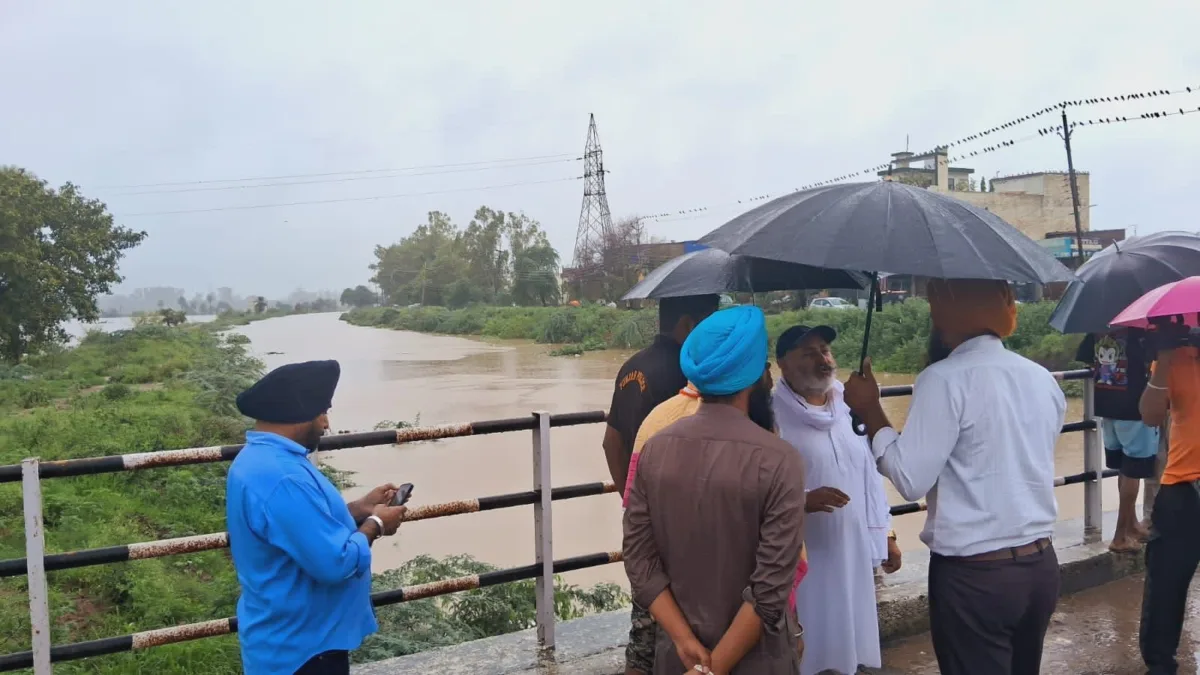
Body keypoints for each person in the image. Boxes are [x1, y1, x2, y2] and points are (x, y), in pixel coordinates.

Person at [843, 279, 1066, 675]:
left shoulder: (943, 379)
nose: (931, 313)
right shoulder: (1041, 378)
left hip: (976, 577)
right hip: (1039, 567)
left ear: (948, 309)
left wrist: (870, 410)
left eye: (934, 302)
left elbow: (910, 480)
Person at [623, 305, 806, 675]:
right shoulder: (780, 459)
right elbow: (770, 590)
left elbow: (639, 561)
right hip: (757, 658)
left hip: (677, 655)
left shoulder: (654, 449)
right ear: (755, 374)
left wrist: (684, 640)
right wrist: (714, 669)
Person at [226, 360, 408, 675]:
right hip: (304, 652)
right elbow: (335, 563)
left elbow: (301, 529)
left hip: (290, 638)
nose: (326, 423)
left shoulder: (261, 460)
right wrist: (376, 524)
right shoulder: (282, 477)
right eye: (323, 411)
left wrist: (360, 508)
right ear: (300, 412)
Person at [772, 324, 899, 675]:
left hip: (852, 548)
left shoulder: (849, 404)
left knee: (848, 644)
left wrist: (886, 534)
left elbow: (870, 474)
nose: (822, 360)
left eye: (825, 350)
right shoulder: (770, 416)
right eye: (808, 353)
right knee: (809, 644)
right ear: (782, 363)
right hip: (804, 555)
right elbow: (757, 485)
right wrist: (802, 500)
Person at [603, 294, 719, 675]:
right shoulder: (692, 375)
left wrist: (632, 500)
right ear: (688, 324)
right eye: (709, 324)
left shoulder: (631, 366)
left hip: (646, 519)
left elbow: (611, 442)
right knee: (688, 632)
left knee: (643, 632)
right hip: (686, 524)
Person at [1137, 321, 1200, 674]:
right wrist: (1163, 355)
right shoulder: (1176, 359)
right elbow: (1149, 415)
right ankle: (1160, 666)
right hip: (1184, 488)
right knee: (1165, 588)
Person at [1075, 329, 1158, 551]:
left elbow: (1086, 358)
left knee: (1123, 467)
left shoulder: (1096, 330)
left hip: (1105, 406)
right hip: (1134, 409)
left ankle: (1131, 525)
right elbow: (1156, 360)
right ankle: (1120, 536)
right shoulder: (1141, 333)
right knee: (1134, 470)